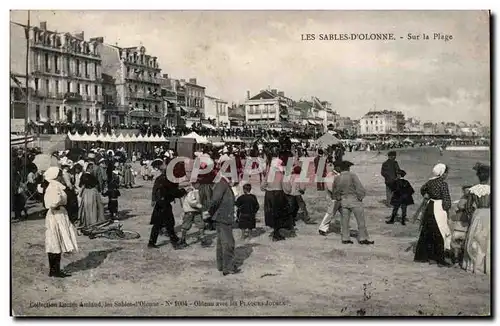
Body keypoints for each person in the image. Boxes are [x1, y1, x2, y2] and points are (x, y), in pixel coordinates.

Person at [414, 163, 452, 267]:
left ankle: (428, 256)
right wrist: (447, 209)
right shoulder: (443, 184)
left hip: (430, 206)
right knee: (440, 231)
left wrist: (427, 195)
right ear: (442, 174)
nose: (447, 175)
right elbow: (446, 199)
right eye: (446, 173)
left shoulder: (430, 182)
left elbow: (422, 190)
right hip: (439, 208)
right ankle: (439, 258)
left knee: (428, 231)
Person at [43, 167, 78, 278]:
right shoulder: (54, 186)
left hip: (58, 214)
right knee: (55, 241)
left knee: (56, 241)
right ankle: (55, 271)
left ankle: (54, 270)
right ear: (55, 176)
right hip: (56, 215)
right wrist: (59, 202)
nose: (61, 177)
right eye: (59, 175)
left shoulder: (55, 186)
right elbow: (53, 202)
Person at [332, 161, 374, 245]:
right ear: (348, 168)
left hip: (344, 200)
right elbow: (360, 188)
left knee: (345, 221)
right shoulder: (352, 176)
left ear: (340, 168)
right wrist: (360, 197)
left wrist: (339, 198)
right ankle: (362, 238)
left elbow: (335, 191)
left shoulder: (337, 178)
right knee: (360, 220)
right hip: (354, 200)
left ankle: (345, 238)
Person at [148, 158, 187, 249]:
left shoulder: (161, 177)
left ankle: (151, 242)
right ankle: (175, 243)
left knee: (157, 225)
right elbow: (173, 192)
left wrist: (153, 199)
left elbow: (155, 189)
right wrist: (183, 191)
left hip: (160, 203)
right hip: (164, 203)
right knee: (169, 224)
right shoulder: (169, 178)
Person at [462, 164, 490, 275]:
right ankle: (487, 265)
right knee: (487, 238)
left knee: (475, 238)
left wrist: (471, 216)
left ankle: (475, 265)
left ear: (478, 176)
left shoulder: (473, 190)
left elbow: (468, 207)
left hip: (477, 214)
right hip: (489, 214)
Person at [209, 174, 240, 276]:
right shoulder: (222, 184)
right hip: (223, 217)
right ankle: (229, 267)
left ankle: (222, 265)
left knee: (221, 242)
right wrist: (211, 212)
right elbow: (215, 200)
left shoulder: (224, 183)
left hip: (222, 217)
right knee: (228, 243)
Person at [262, 158, 290, 241]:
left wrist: (267, 188)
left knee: (270, 213)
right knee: (278, 214)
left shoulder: (268, 174)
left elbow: (262, 185)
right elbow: (287, 187)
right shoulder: (280, 174)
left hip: (269, 194)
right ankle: (276, 234)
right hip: (278, 194)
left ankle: (274, 231)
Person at [179, 181, 209, 247]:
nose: (199, 185)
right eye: (198, 184)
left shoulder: (196, 191)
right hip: (190, 211)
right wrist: (200, 206)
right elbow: (191, 202)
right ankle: (182, 240)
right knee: (186, 225)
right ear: (194, 184)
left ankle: (202, 239)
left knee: (201, 224)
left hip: (196, 211)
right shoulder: (191, 192)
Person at [78, 162, 107, 228]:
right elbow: (96, 183)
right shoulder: (91, 176)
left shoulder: (83, 176)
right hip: (92, 192)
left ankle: (86, 222)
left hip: (85, 192)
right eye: (91, 169)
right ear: (89, 169)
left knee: (86, 207)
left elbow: (81, 185)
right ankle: (93, 222)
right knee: (93, 207)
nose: (92, 170)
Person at [319, 162, 342, 236]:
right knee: (330, 213)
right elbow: (331, 188)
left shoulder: (338, 175)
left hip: (339, 198)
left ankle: (344, 229)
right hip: (333, 198)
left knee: (344, 212)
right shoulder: (330, 175)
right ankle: (322, 228)